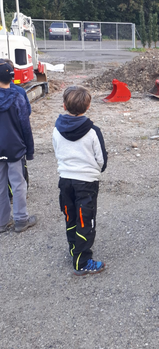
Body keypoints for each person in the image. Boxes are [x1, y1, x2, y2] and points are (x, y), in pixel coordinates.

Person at [52, 86, 108, 276]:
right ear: (88, 106)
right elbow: (101, 159)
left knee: (71, 216)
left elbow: (57, 152)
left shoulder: (56, 129)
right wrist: (95, 170)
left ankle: (73, 249)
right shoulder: (93, 131)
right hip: (86, 182)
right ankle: (82, 261)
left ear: (64, 105)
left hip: (65, 180)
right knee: (86, 219)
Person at [0, 60, 36, 233]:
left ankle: (1, 221)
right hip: (15, 148)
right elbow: (25, 126)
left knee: (0, 186)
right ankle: (21, 220)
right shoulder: (18, 97)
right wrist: (30, 150)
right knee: (18, 184)